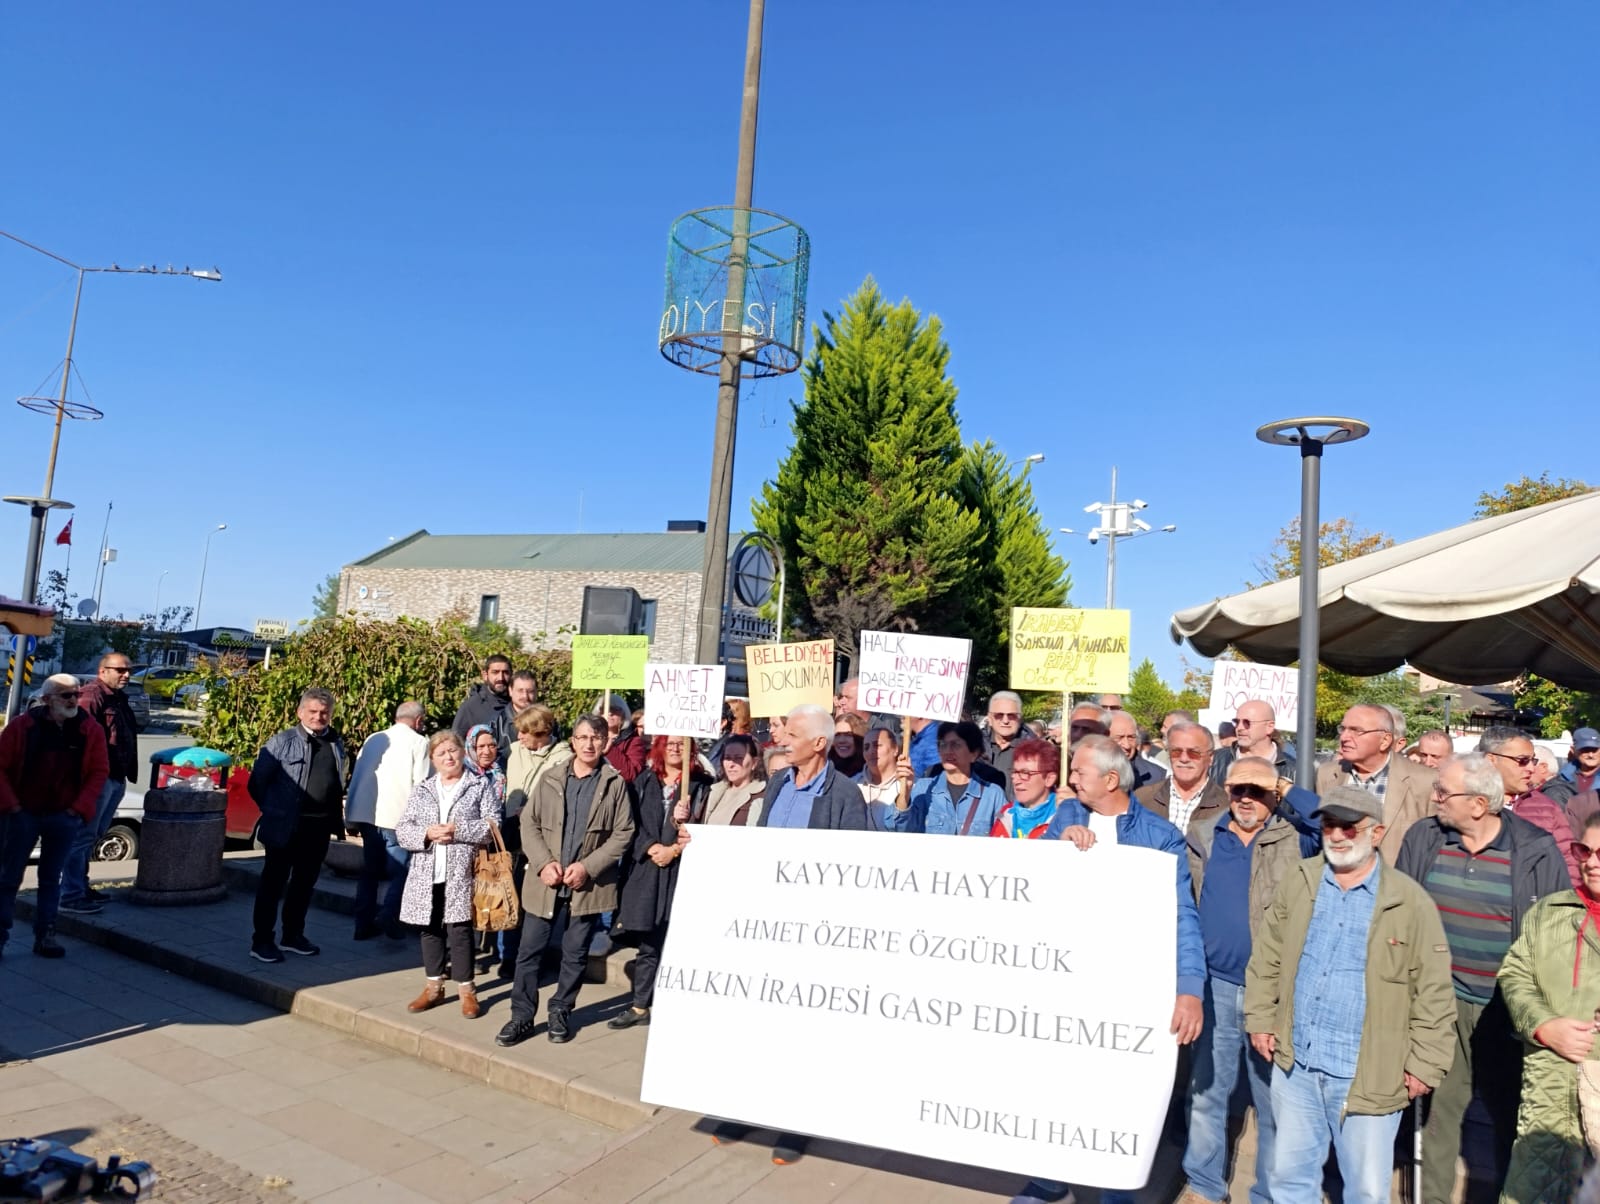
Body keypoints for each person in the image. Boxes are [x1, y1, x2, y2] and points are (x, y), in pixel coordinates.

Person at [1244, 784, 1454, 1204]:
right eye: (1329, 825)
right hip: (1297, 1064)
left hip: (1368, 1070)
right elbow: (1268, 956)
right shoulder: (1300, 880)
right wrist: (1261, 1018)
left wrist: (1426, 1063)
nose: (1336, 835)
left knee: (1366, 1191)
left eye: (1349, 827)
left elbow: (1433, 990)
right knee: (1290, 1180)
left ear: (1376, 834)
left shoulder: (1409, 903)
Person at [1021, 736, 1205, 1204]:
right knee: (1056, 1082)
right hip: (1063, 978)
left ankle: (1115, 1190)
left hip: (1126, 986)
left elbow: (1182, 915)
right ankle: (1049, 1177)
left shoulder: (1160, 837)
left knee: (1118, 1095)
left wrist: (1189, 989)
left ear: (1109, 779)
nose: (1070, 780)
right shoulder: (1067, 815)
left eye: (1079, 771)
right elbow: (1028, 871)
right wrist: (1054, 844)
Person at [1394, 751, 1570, 1204]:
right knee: (1440, 1115)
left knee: (1505, 1115)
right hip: (1441, 1004)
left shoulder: (1534, 848)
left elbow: (1553, 932)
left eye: (1443, 792)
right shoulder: (1425, 837)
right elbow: (1398, 910)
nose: (1434, 799)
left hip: (1505, 1009)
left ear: (1477, 804)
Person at [1178, 757, 1319, 1204]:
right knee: (1206, 1094)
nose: (1247, 800)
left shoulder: (1295, 837)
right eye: (1239, 790)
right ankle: (1203, 1184)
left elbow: (1331, 820)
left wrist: (1280, 783)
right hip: (1213, 988)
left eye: (1257, 792)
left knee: (1275, 1102)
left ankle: (1271, 1193)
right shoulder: (1203, 834)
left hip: (1272, 992)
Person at [496, 714, 634, 1048]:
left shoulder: (614, 785)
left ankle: (561, 1010)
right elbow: (529, 824)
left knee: (575, 955)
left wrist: (588, 867)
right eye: (583, 737)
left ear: (605, 742)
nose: (589, 744)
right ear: (572, 740)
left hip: (587, 886)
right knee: (529, 951)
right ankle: (521, 1016)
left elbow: (623, 833)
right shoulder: (551, 777)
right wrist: (543, 863)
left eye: (596, 737)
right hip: (546, 882)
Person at [1498, 809, 1600, 1202]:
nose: (1590, 862)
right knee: (1533, 1189)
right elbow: (1515, 975)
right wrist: (1543, 1025)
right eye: (1583, 850)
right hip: (1550, 1084)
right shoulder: (1551, 912)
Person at [394, 730, 500, 1019]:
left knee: (460, 929)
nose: (448, 757)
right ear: (433, 760)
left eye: (452, 751)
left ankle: (467, 990)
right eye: (441, 754)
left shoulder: (479, 785)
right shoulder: (423, 789)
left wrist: (458, 829)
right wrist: (426, 833)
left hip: (462, 871)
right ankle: (434, 987)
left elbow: (493, 826)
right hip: (427, 871)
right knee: (430, 928)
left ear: (463, 752)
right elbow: (403, 829)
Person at [0, 675, 108, 958]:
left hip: (63, 816)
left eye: (75, 693)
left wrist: (77, 810)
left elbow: (98, 771)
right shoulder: (23, 727)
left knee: (51, 878)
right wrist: (12, 807)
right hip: (24, 813)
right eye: (65, 695)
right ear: (47, 700)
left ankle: (45, 933)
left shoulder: (88, 729)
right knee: (9, 877)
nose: (73, 699)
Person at [610, 736, 711, 1030]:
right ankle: (640, 1006)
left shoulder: (700, 785)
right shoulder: (645, 781)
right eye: (671, 743)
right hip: (647, 871)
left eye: (683, 744)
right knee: (649, 943)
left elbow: (702, 828)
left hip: (680, 873)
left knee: (672, 941)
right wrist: (651, 847)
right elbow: (631, 821)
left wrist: (675, 847)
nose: (676, 748)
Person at [248, 688, 348, 963]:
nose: (319, 717)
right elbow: (257, 782)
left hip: (317, 829)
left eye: (324, 712)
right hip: (286, 828)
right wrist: (276, 811)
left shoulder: (335, 742)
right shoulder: (282, 742)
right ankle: (262, 941)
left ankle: (292, 935)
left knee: (304, 884)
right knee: (273, 884)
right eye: (313, 711)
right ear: (300, 712)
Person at [59, 654, 138, 915]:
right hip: (98, 778)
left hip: (116, 776)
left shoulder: (117, 697)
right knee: (81, 837)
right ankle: (70, 895)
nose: (126, 675)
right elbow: (77, 738)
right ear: (103, 671)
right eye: (120, 670)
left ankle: (80, 887)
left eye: (129, 670)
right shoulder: (92, 695)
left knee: (92, 836)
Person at [345, 701, 429, 941]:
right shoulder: (419, 742)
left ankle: (362, 924)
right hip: (398, 818)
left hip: (367, 815)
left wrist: (350, 816)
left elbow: (358, 774)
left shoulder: (375, 738)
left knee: (369, 873)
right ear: (418, 721)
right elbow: (421, 784)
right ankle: (389, 914)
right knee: (403, 870)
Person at [499, 704, 572, 978]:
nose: (520, 738)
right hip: (513, 835)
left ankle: (532, 960)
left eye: (525, 733)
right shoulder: (515, 751)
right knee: (511, 897)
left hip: (542, 840)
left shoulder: (562, 757)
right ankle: (508, 957)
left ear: (541, 732)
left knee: (536, 903)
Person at [1314, 704, 1436, 862]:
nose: (1344, 737)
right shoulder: (1327, 774)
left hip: (1395, 882)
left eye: (1356, 731)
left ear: (1385, 740)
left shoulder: (1425, 780)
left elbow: (1432, 845)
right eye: (1343, 729)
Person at [1478, 725, 1579, 887]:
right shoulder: (1462, 802)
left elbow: (1570, 866)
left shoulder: (1546, 807)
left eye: (1533, 761)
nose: (1531, 769)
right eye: (1522, 761)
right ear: (1491, 760)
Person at [755, 704, 873, 833]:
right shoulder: (778, 780)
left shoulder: (847, 793)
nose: (783, 742)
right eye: (786, 734)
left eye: (793, 735)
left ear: (818, 743)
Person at [886, 721, 1007, 837]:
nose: (948, 751)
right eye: (943, 745)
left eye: (956, 745)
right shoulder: (924, 788)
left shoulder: (993, 795)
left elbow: (1007, 836)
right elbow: (896, 828)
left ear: (973, 754)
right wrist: (905, 793)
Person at [1137, 721, 1226, 834]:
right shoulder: (1143, 798)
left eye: (1194, 752)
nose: (1184, 759)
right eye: (1176, 752)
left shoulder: (1225, 805)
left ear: (1211, 757)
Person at [1211, 700, 1295, 786]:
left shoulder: (1294, 770)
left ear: (1269, 727)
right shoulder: (1214, 760)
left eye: (1247, 723)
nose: (1239, 728)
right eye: (1236, 722)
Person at [989, 738, 1061, 838]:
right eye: (1015, 772)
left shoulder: (1064, 816)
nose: (1016, 780)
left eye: (1025, 773)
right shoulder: (1006, 813)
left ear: (1049, 779)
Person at [452, 654, 513, 759]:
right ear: (485, 675)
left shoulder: (517, 703)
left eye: (505, 673)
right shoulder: (470, 708)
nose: (501, 678)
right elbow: (456, 743)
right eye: (495, 672)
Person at [703, 734, 766, 826]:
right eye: (727, 758)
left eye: (738, 758)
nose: (731, 764)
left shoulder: (761, 797)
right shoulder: (714, 792)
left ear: (754, 763)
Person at [982, 691, 1035, 795]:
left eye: (1011, 716)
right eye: (999, 715)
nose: (1005, 720)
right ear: (990, 718)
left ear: (1020, 718)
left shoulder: (1034, 750)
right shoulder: (975, 747)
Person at [857, 718, 902, 830]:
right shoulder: (853, 785)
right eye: (866, 747)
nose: (871, 751)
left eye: (877, 745)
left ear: (895, 749)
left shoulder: (910, 785)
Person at [1110, 710, 1166, 791]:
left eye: (1131, 737)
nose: (1127, 745)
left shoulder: (1156, 776)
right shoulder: (1090, 772)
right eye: (1119, 738)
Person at [602, 697, 647, 783]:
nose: (609, 712)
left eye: (615, 709)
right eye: (603, 709)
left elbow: (630, 774)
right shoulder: (589, 739)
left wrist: (610, 749)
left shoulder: (634, 742)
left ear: (624, 714)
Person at [1561, 727, 1600, 796]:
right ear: (1573, 750)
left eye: (1595, 750)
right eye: (1585, 750)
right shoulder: (1562, 775)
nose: (1591, 755)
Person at [829, 713, 866, 779]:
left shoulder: (869, 770)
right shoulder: (826, 767)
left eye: (848, 735)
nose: (841, 740)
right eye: (837, 735)